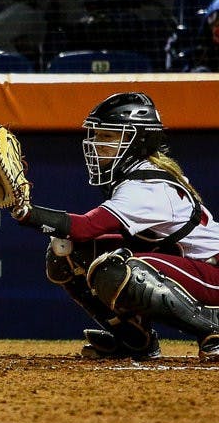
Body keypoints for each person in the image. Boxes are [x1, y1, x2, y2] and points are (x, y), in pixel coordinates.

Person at [11, 92, 219, 361]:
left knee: (118, 269)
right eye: (98, 136)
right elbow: (83, 239)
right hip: (198, 272)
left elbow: (85, 226)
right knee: (69, 252)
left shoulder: (147, 186)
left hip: (213, 276)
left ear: (139, 141)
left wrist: (26, 212)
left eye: (109, 137)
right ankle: (134, 338)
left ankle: (213, 329)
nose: (97, 144)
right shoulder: (136, 176)